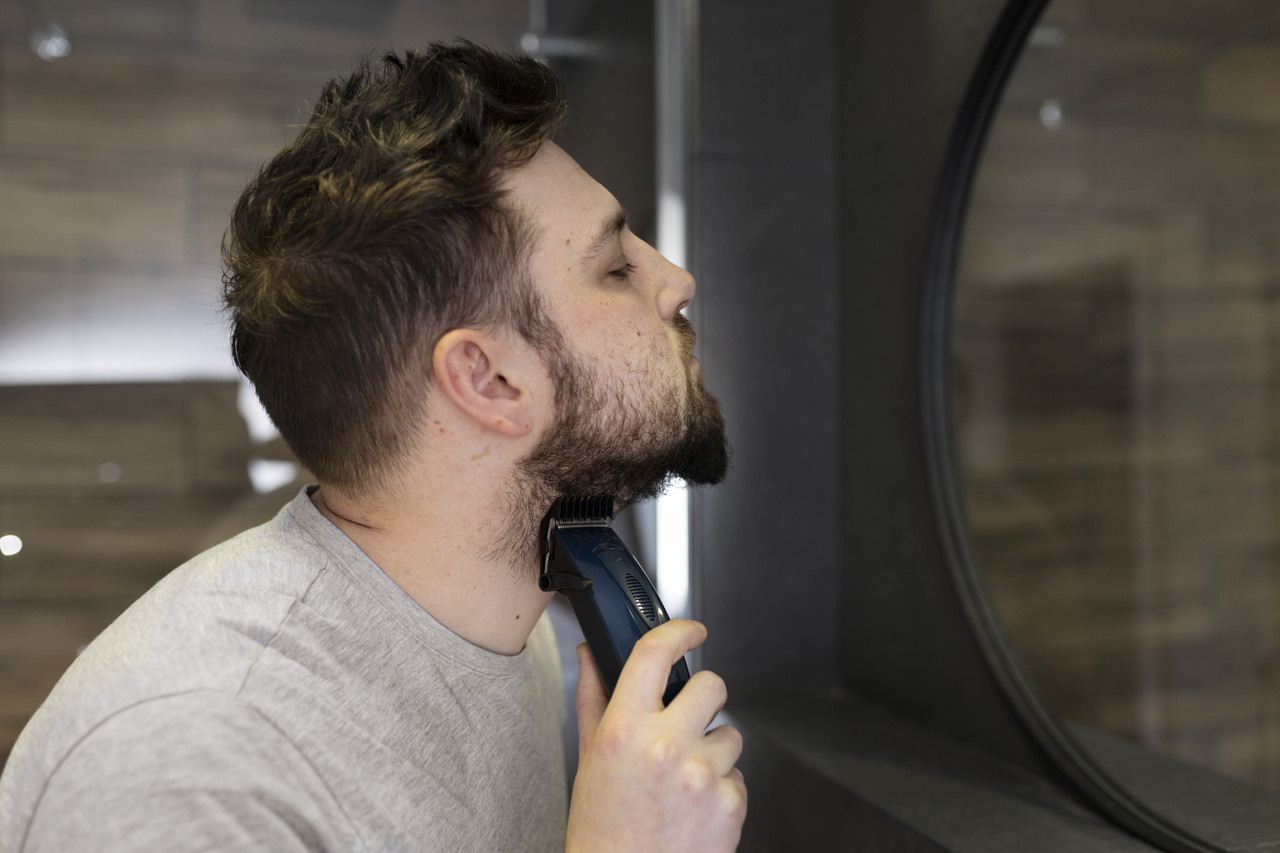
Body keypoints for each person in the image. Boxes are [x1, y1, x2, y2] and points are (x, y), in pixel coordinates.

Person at [0, 41, 745, 852]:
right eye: (614, 266)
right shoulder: (192, 768)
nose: (674, 277)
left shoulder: (504, 618)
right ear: (488, 380)